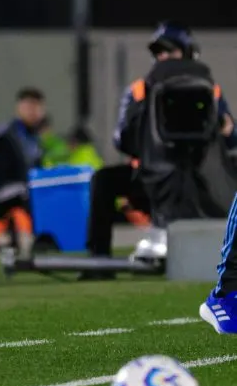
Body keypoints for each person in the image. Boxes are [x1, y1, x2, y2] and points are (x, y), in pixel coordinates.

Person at [87, 21, 237, 280]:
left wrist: (226, 131)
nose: (164, 57)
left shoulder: (211, 91)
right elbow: (123, 139)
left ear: (187, 52)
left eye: (171, 51)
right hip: (154, 180)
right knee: (104, 180)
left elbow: (231, 139)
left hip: (202, 180)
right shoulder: (141, 90)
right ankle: (99, 263)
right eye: (160, 52)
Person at [0, 87, 46, 255]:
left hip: (16, 190)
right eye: (29, 106)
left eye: (37, 107)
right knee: (29, 195)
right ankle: (25, 238)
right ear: (19, 108)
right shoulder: (7, 135)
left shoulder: (34, 138)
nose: (33, 112)